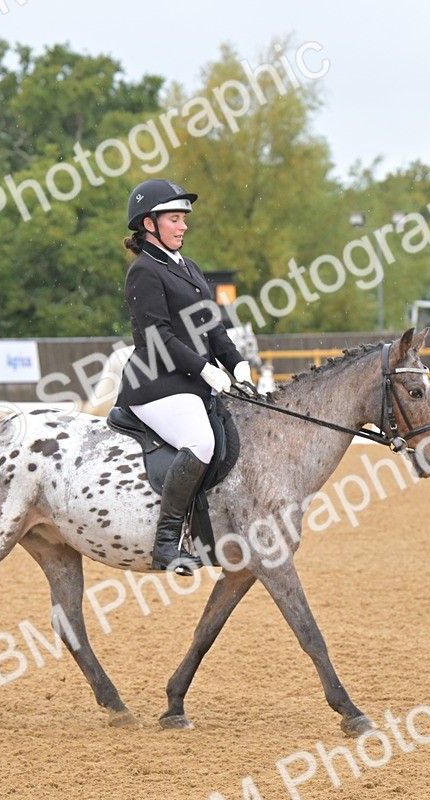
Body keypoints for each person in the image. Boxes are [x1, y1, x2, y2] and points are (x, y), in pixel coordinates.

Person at [116, 178, 254, 576]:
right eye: (174, 219)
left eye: (183, 219)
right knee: (200, 442)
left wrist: (236, 363)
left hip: (191, 382)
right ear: (149, 224)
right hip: (156, 384)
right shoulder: (144, 272)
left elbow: (212, 325)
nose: (183, 226)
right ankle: (166, 543)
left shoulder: (187, 266)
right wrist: (205, 369)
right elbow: (159, 337)